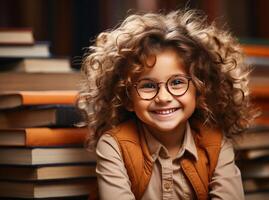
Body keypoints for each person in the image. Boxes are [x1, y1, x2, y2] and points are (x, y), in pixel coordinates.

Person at [77, 9, 256, 200]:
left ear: (199, 89)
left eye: (177, 82)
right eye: (148, 85)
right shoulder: (114, 146)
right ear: (127, 98)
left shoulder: (217, 146)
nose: (163, 97)